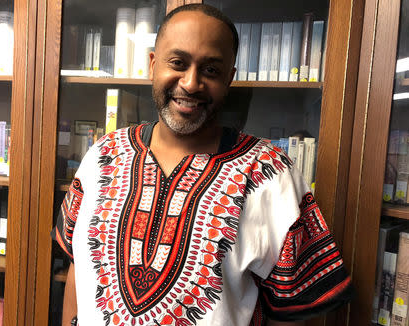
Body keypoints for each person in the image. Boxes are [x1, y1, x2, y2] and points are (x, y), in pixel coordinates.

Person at [53, 4, 353, 326]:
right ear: (153, 64)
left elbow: (292, 310)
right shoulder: (102, 155)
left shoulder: (272, 172)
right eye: (178, 63)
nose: (191, 83)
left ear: (229, 79)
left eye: (210, 70)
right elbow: (77, 265)